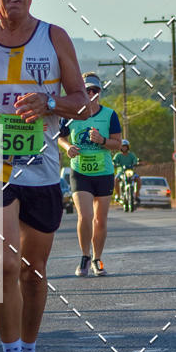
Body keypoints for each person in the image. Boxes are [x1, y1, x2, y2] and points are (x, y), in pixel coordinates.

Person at [0, 0, 88, 352]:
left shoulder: (54, 37)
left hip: (42, 166)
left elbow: (84, 102)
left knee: (32, 271)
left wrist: (50, 104)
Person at [58, 73, 122, 276]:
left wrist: (102, 140)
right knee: (85, 216)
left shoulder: (109, 115)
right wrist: (68, 146)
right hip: (80, 172)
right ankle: (84, 257)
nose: (92, 93)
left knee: (100, 221)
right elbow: (60, 137)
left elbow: (117, 143)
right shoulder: (71, 115)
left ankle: (97, 258)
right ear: (82, 93)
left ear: (100, 92)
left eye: (95, 90)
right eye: (87, 90)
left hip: (103, 172)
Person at [113, 138, 141, 203]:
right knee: (115, 180)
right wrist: (114, 164)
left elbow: (135, 161)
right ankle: (118, 195)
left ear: (128, 147)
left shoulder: (131, 155)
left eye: (125, 146)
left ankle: (136, 196)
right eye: (123, 146)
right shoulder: (118, 155)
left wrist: (137, 163)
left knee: (138, 179)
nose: (124, 148)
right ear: (120, 147)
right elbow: (114, 161)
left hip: (130, 172)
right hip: (121, 172)